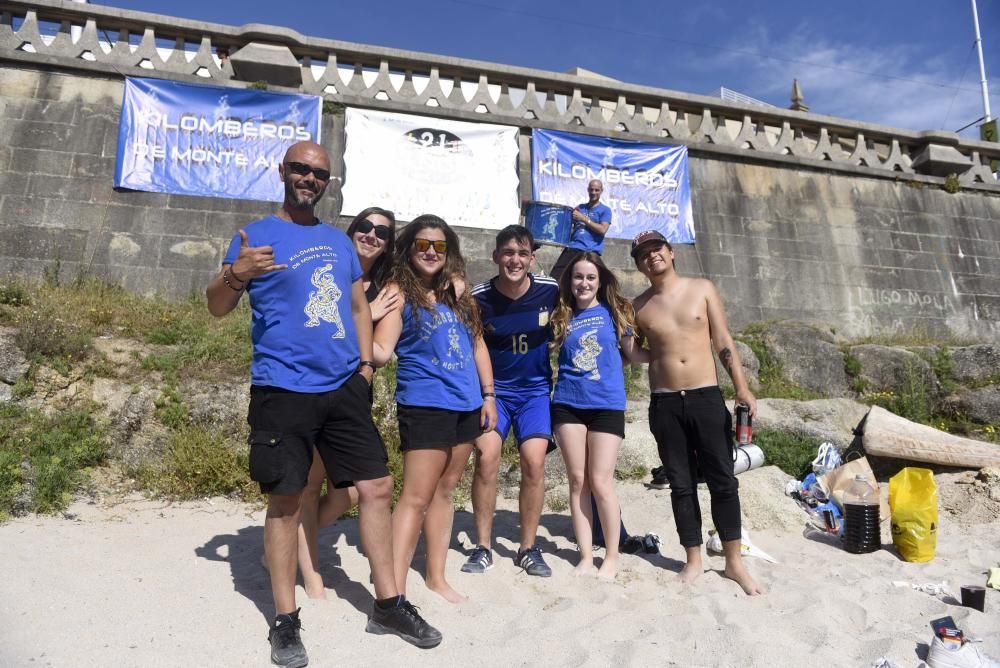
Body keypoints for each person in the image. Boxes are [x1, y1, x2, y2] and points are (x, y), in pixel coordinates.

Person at [206, 142, 441, 667]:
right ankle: (285, 623)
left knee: (377, 487)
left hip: (342, 388)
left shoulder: (337, 243)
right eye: (300, 169)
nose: (308, 178)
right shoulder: (254, 235)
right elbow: (217, 308)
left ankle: (388, 603)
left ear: (327, 183)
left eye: (318, 173)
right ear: (283, 172)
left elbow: (358, 305)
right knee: (287, 500)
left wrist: (362, 367)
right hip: (282, 388)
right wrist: (237, 273)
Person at [629, 229, 763, 596]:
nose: (651, 255)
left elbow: (722, 340)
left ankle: (734, 562)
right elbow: (632, 351)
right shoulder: (638, 306)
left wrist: (742, 387)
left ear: (671, 253)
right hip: (666, 402)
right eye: (643, 254)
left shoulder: (702, 288)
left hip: (705, 396)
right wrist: (639, 345)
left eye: (657, 249)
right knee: (681, 485)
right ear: (640, 265)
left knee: (723, 481)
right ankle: (693, 560)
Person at [373, 214, 497, 604]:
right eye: (422, 244)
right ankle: (393, 589)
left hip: (467, 404)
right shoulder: (398, 291)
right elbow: (380, 351)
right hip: (425, 404)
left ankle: (436, 577)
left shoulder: (458, 296)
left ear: (449, 253)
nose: (430, 251)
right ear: (409, 249)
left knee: (445, 492)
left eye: (439, 246)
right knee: (416, 497)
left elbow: (477, 345)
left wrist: (489, 395)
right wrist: (360, 314)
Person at [296, 206, 400, 599]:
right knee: (309, 486)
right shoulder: (322, 271)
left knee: (349, 493)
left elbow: (382, 350)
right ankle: (312, 573)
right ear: (351, 230)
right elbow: (306, 328)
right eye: (365, 227)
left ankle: (288, 543)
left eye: (382, 233)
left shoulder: (389, 292)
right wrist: (360, 316)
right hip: (308, 389)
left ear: (389, 245)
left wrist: (361, 317)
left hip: (352, 397)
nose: (372, 236)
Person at [464, 225, 558, 577]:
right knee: (487, 459)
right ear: (495, 257)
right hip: (495, 393)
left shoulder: (550, 291)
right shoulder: (479, 297)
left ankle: (528, 548)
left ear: (532, 258)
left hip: (534, 392)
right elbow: (472, 344)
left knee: (534, 463)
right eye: (508, 253)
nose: (514, 260)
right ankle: (483, 546)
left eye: (522, 253)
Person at [550, 251, 638, 580]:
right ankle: (586, 556)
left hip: (606, 404)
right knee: (578, 481)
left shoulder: (616, 312)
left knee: (601, 482)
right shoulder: (562, 315)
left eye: (590, 277)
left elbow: (633, 354)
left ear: (600, 281)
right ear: (570, 282)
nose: (583, 282)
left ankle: (611, 556)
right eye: (578, 277)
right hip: (568, 404)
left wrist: (667, 350)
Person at [549, 179, 612, 280]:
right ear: (588, 190)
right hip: (572, 248)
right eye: (591, 190)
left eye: (596, 190)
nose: (593, 192)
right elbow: (567, 225)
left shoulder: (605, 210)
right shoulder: (580, 207)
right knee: (555, 278)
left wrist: (583, 219)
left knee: (589, 281)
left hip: (590, 251)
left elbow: (602, 230)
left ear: (601, 191)